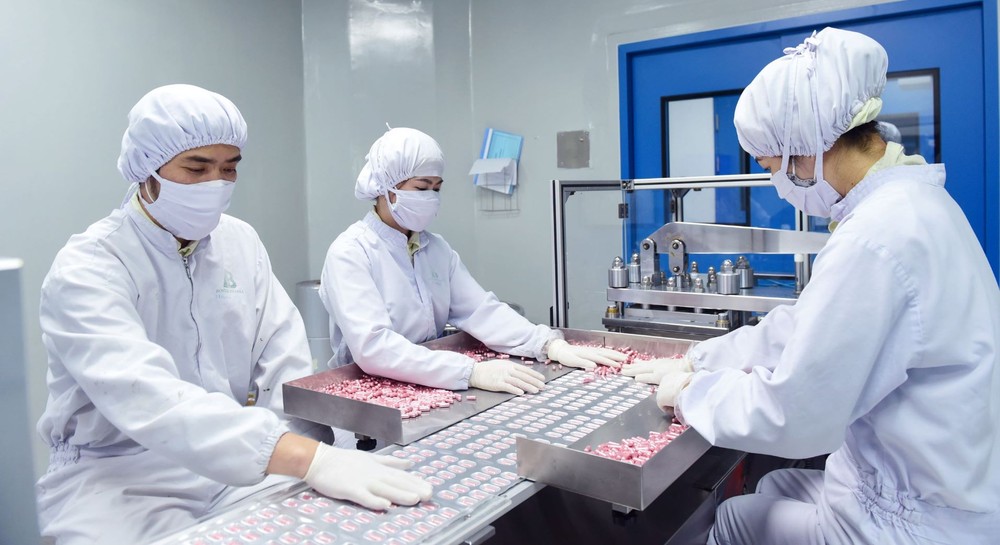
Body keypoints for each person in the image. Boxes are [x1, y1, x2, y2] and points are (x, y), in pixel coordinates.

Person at [635, 28, 1000, 544]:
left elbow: (795, 414)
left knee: (736, 520)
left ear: (804, 154)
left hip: (920, 521)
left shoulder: (876, 238)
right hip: (936, 482)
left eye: (771, 167)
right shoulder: (914, 206)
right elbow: (807, 324)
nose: (777, 186)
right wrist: (703, 358)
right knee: (779, 482)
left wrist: (692, 394)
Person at [35, 85, 431, 545]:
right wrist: (307, 460)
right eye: (196, 168)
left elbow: (284, 359)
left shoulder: (239, 242)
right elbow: (147, 398)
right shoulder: (90, 266)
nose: (216, 184)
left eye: (229, 169)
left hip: (241, 464)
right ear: (146, 169)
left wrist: (323, 451)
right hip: (117, 476)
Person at [319, 128, 626, 395]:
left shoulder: (435, 249)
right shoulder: (351, 252)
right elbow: (375, 348)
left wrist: (548, 345)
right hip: (366, 397)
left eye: (437, 188)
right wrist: (469, 372)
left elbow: (481, 310)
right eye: (422, 187)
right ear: (388, 188)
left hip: (428, 386)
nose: (431, 196)